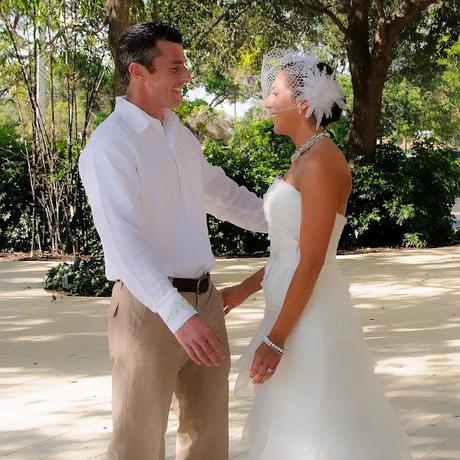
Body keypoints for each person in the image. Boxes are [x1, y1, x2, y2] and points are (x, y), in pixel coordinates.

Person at [78, 22, 267, 460]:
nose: (186, 76)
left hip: (206, 301)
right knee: (137, 446)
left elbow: (223, 195)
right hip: (150, 310)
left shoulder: (178, 134)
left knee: (207, 441)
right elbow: (124, 243)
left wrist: (291, 218)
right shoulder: (110, 145)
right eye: (175, 66)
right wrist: (178, 314)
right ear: (138, 72)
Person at [221, 49, 414, 460]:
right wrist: (242, 291)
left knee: (316, 430)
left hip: (309, 319)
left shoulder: (322, 162)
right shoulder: (306, 156)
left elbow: (312, 260)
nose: (266, 102)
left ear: (303, 103)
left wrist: (275, 340)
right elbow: (288, 252)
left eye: (274, 93)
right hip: (289, 309)